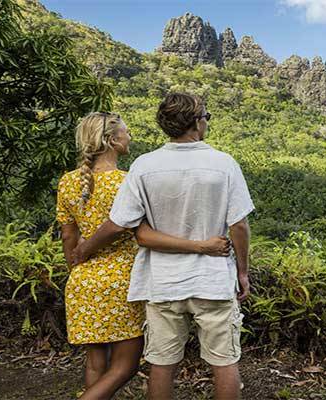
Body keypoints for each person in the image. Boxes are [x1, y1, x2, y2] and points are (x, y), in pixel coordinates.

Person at [73, 93, 254, 400]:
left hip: (162, 282)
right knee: (224, 363)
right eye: (206, 117)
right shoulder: (224, 164)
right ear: (197, 123)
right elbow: (239, 225)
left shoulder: (145, 166)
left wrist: (83, 250)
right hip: (211, 281)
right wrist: (243, 272)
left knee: (161, 364)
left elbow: (120, 223)